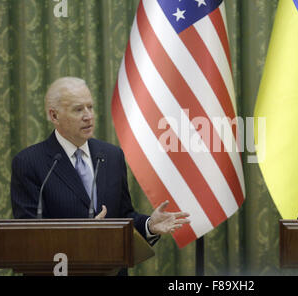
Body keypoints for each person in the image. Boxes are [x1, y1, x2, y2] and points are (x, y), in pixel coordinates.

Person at [11, 77, 191, 269]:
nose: (88, 116)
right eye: (78, 109)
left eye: (90, 107)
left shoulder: (112, 156)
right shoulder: (29, 162)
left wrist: (149, 225)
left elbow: (123, 215)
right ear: (54, 116)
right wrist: (82, 235)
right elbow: (28, 234)